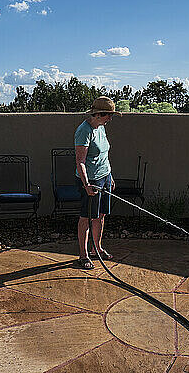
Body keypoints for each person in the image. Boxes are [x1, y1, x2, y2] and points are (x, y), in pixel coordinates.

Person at [74, 96, 121, 269]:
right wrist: (86, 185)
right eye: (109, 115)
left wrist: (110, 176)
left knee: (100, 215)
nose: (111, 119)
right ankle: (83, 255)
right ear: (99, 114)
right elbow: (80, 161)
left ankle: (97, 248)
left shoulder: (100, 127)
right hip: (90, 180)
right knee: (86, 217)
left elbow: (104, 154)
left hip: (104, 177)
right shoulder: (84, 130)